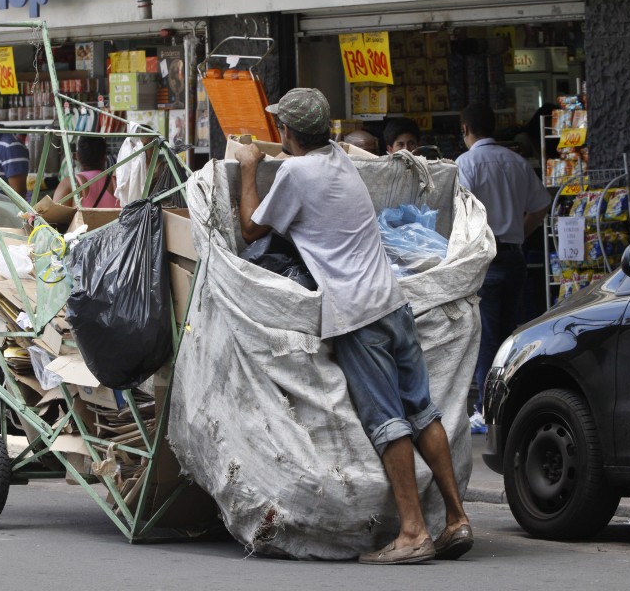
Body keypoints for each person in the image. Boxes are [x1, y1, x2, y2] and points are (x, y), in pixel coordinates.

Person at [235, 88, 472, 565]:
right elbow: (312, 155)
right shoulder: (341, 160)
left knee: (388, 423)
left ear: (287, 132)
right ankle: (456, 518)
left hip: (357, 315)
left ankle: (411, 532)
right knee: (422, 412)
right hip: (392, 301)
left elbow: (250, 228)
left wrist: (246, 166)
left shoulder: (295, 173)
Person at [456, 103, 551, 433]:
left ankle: (487, 409)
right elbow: (541, 206)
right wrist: (520, 233)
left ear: (465, 129)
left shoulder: (465, 164)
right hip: (513, 257)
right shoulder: (517, 161)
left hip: (485, 260)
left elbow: (460, 214)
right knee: (508, 337)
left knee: (486, 339)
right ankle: (507, 404)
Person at [52, 135, 118, 208]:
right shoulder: (117, 183)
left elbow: (54, 216)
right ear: (104, 157)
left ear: (77, 156)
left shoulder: (70, 184)